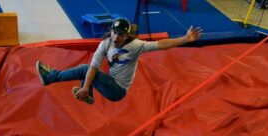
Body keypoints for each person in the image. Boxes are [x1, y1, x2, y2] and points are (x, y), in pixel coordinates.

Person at [36, 17, 202, 104]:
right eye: (115, 32)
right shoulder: (105, 44)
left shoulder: (136, 45)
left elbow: (161, 44)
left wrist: (185, 39)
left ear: (127, 36)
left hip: (118, 90)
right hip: (110, 81)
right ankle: (88, 95)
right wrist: (86, 87)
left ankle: (51, 77)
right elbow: (94, 67)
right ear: (111, 31)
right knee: (88, 70)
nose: (117, 37)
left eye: (121, 34)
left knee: (83, 70)